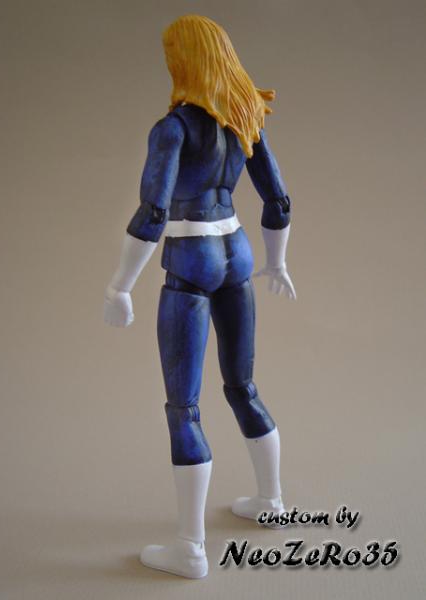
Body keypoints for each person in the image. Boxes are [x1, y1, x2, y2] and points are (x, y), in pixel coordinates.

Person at [103, 14, 296, 579]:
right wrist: (277, 262)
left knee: (184, 408)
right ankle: (272, 501)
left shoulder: (174, 129)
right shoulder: (243, 117)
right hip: (236, 252)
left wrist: (120, 285)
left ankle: (191, 548)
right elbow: (278, 201)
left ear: (182, 61)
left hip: (191, 260)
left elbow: (153, 212)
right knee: (243, 386)